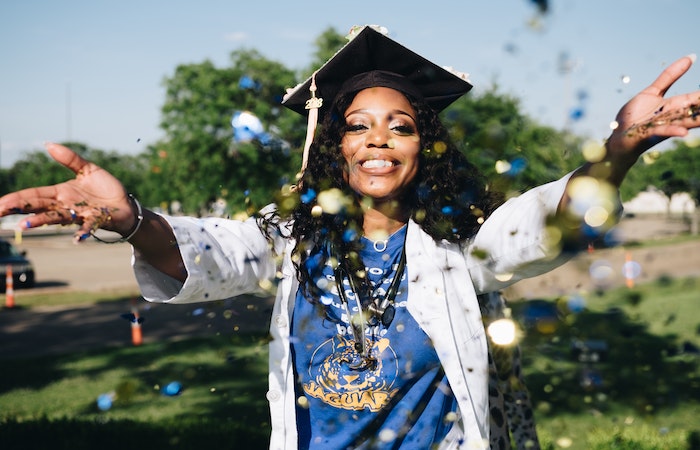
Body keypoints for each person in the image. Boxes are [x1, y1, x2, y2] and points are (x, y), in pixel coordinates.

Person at [1, 25, 698, 450]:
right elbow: (206, 252)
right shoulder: (288, 242)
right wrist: (132, 221)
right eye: (358, 124)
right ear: (332, 144)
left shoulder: (459, 251)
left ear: (425, 145)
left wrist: (621, 148)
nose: (379, 140)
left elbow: (542, 223)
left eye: (401, 125)